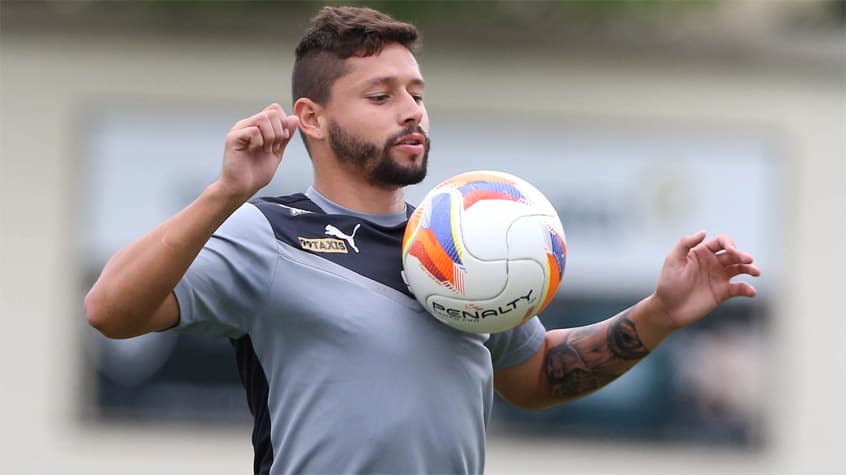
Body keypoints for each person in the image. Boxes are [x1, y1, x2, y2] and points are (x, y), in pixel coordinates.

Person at [84, 5, 760, 475]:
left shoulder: (459, 243)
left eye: (417, 92)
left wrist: (662, 311)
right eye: (380, 96)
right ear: (311, 120)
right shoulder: (270, 234)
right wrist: (226, 192)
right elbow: (110, 310)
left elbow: (532, 377)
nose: (411, 110)